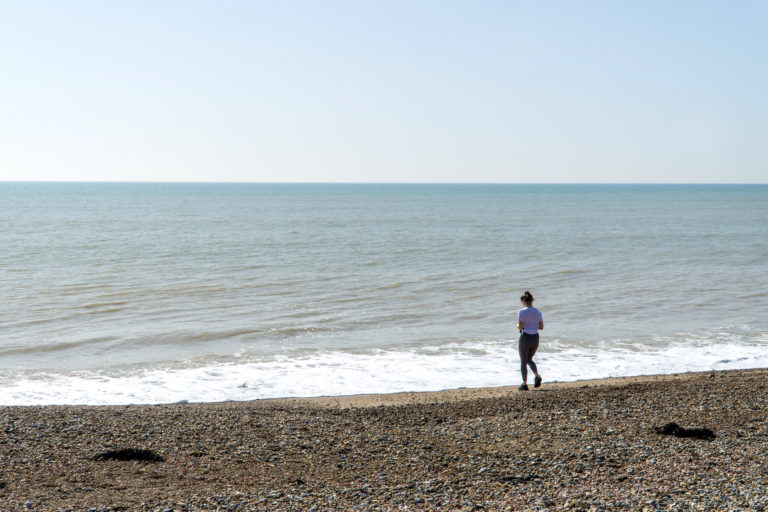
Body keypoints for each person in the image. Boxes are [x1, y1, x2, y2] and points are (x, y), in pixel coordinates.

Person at [517, 290, 543, 391]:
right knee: (529, 359)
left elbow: (520, 326)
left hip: (525, 337)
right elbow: (541, 327)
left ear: (523, 301)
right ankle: (537, 375)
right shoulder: (538, 312)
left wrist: (518, 326)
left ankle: (524, 384)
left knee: (523, 361)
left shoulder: (521, 312)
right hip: (535, 337)